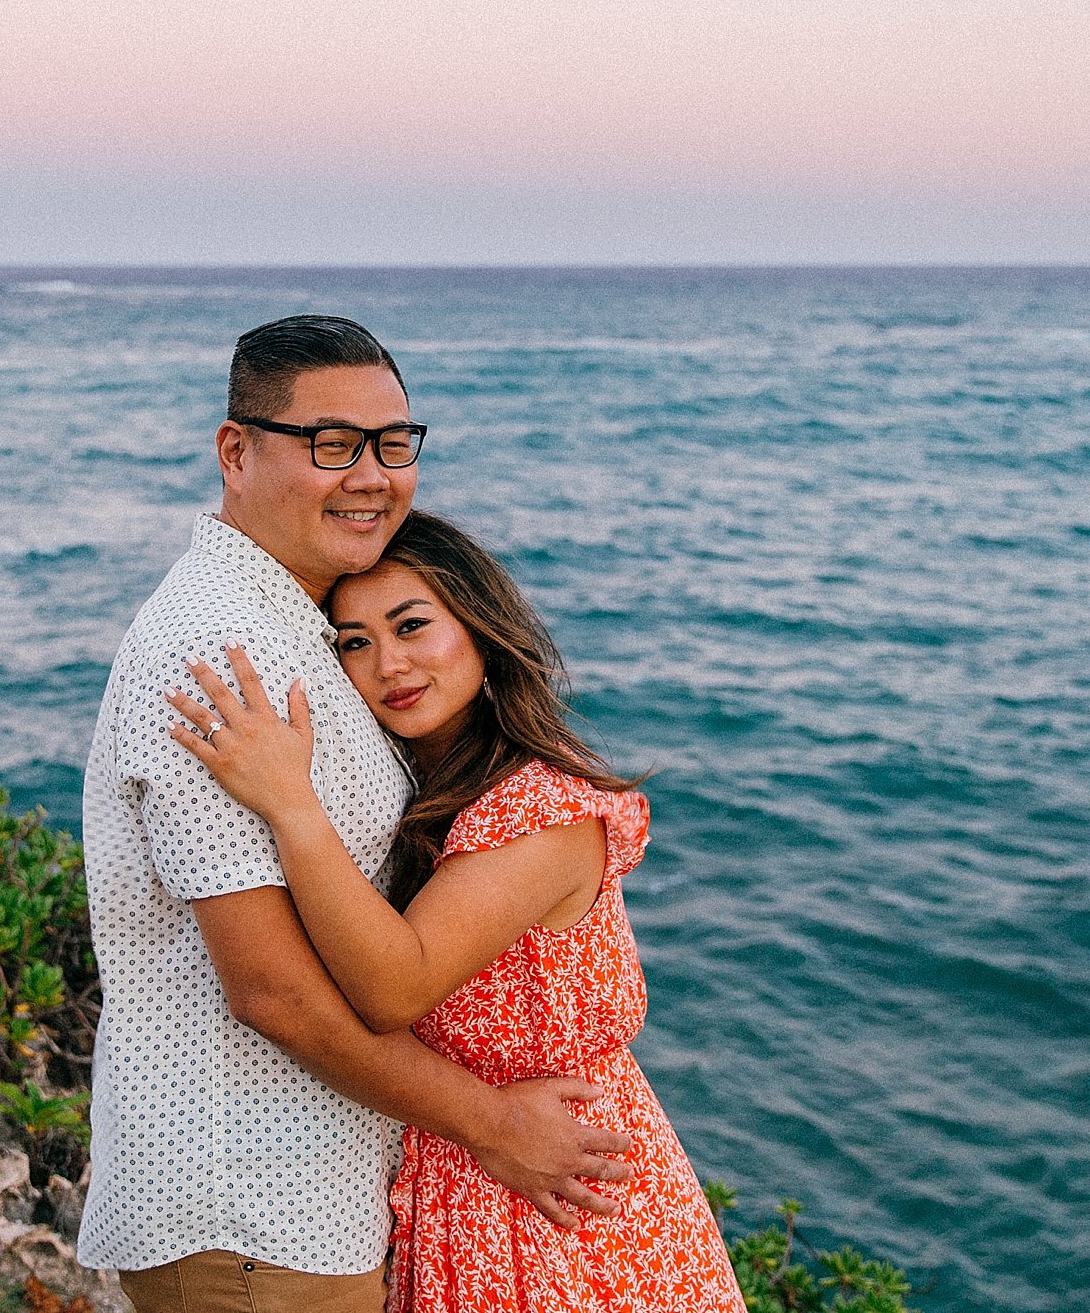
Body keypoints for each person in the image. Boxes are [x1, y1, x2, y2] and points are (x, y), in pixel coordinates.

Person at [77, 317, 632, 1313]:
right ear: (235, 450)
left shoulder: (299, 619)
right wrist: (493, 1122)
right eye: (331, 443)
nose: (371, 474)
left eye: (392, 442)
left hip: (313, 1194)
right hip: (247, 1202)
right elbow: (273, 991)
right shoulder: (215, 652)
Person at [166, 510, 745, 1313]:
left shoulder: (540, 806)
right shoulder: (430, 796)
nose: (388, 664)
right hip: (468, 1174)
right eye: (353, 643)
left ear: (480, 626)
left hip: (561, 1193)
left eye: (411, 626)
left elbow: (395, 986)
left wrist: (289, 802)